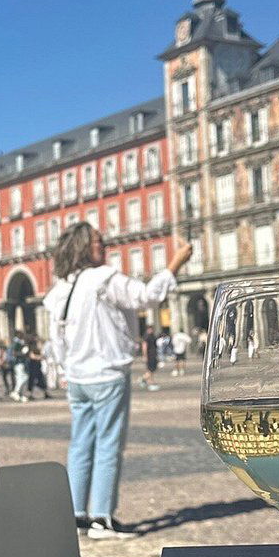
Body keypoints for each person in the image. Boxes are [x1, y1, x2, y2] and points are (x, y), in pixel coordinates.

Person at [44, 223, 192, 539]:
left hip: (78, 377)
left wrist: (63, 370)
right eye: (99, 241)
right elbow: (147, 297)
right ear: (84, 247)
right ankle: (102, 518)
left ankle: (76, 515)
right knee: (109, 444)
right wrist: (176, 262)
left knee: (81, 443)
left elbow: (57, 338)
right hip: (107, 373)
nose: (106, 245)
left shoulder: (61, 289)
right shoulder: (104, 279)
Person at [139, 326, 160, 391]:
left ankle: (143, 379)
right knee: (150, 370)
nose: (151, 330)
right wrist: (145, 356)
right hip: (149, 355)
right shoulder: (146, 336)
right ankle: (151, 383)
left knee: (153, 369)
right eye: (150, 329)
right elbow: (144, 346)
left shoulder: (153, 336)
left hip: (153, 355)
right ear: (147, 329)